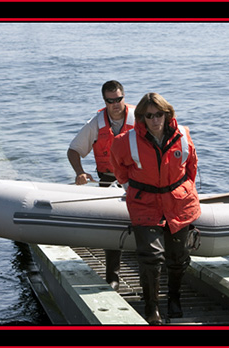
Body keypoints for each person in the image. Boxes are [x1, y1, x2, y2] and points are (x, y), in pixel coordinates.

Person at [110, 92, 201, 324]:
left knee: (178, 257)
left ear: (167, 114)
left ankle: (174, 299)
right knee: (151, 257)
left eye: (159, 114)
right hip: (145, 204)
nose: (154, 119)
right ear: (141, 117)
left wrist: (184, 191)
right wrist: (133, 188)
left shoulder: (183, 135)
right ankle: (152, 308)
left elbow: (191, 167)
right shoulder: (125, 141)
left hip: (178, 203)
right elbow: (118, 167)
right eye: (149, 116)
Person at [67, 80, 136, 291]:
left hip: (137, 180)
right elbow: (73, 150)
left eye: (119, 99)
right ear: (104, 101)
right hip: (108, 180)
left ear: (124, 97)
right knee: (113, 227)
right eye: (110, 100)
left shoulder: (140, 119)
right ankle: (112, 276)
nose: (116, 104)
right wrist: (80, 172)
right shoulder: (96, 124)